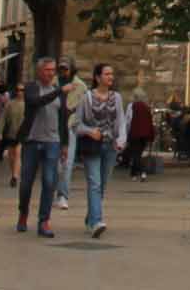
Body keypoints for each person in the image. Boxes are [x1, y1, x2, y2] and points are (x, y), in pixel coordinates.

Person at [73, 63, 126, 236]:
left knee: (101, 185)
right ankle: (96, 222)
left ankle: (90, 218)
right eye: (107, 74)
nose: (111, 77)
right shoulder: (86, 98)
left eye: (112, 74)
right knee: (94, 183)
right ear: (97, 77)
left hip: (110, 146)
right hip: (93, 146)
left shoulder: (116, 97)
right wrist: (89, 131)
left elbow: (121, 121)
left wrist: (121, 140)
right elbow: (76, 124)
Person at [18, 57, 66, 237]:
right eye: (47, 70)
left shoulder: (58, 91)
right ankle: (23, 212)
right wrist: (59, 91)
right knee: (26, 183)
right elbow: (36, 102)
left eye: (53, 70)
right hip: (32, 140)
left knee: (49, 181)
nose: (51, 73)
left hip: (52, 141)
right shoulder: (31, 88)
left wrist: (65, 144)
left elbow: (63, 118)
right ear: (39, 72)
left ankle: (44, 221)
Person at [55, 61, 86, 213]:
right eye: (60, 69)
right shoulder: (53, 83)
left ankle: (63, 195)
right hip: (53, 128)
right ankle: (54, 192)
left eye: (65, 69)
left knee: (67, 163)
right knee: (55, 165)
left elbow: (83, 108)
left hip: (69, 127)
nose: (63, 72)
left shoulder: (81, 87)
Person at [126, 87, 156, 180]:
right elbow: (150, 121)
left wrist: (126, 132)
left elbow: (128, 120)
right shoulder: (146, 107)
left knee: (135, 154)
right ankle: (134, 174)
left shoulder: (132, 106)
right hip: (145, 134)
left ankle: (142, 172)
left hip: (134, 133)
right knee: (138, 153)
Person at [1, 84, 27, 186]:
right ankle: (13, 174)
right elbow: (3, 118)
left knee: (18, 153)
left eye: (22, 90)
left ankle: (15, 177)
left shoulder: (28, 104)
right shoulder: (10, 104)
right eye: (18, 90)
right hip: (11, 133)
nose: (20, 92)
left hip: (23, 134)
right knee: (11, 156)